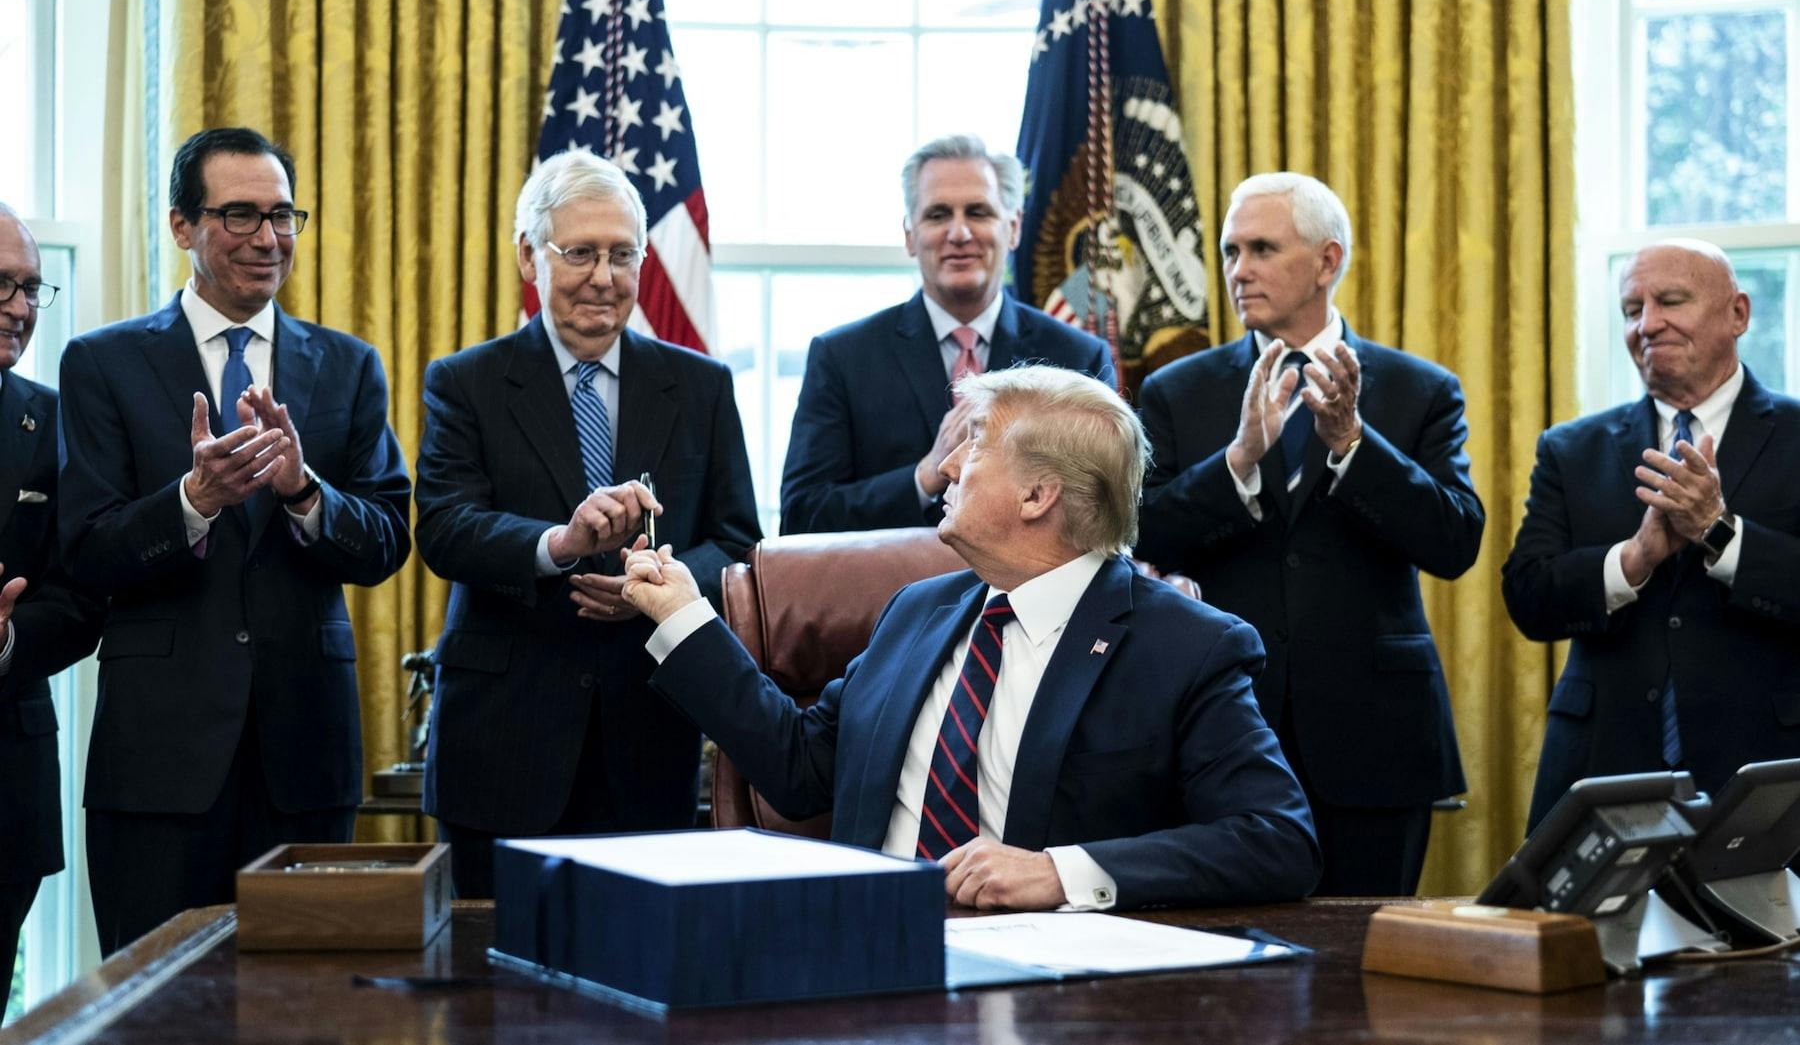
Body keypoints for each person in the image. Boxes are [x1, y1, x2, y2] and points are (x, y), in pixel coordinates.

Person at [623, 365, 1319, 911]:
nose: (947, 467)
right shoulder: (915, 613)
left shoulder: (1186, 647)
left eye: (975, 445)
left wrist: (1059, 871)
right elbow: (801, 768)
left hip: (1050, 985)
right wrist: (685, 615)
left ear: (1037, 495)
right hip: (869, 953)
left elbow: (1277, 839)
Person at [58, 128, 412, 954]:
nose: (268, 237)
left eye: (284, 214)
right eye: (241, 214)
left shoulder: (349, 366)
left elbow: (389, 538)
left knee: (305, 1005)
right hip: (159, 765)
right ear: (183, 225)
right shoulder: (103, 364)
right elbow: (85, 549)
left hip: (306, 760)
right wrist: (192, 501)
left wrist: (302, 491)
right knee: (154, 1011)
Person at [415, 151, 759, 899]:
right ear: (528, 257)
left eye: (621, 253)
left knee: (639, 993)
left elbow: (738, 543)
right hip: (503, 748)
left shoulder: (701, 386)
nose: (603, 276)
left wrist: (656, 584)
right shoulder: (465, 381)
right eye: (579, 252)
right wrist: (559, 546)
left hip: (650, 737)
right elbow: (443, 528)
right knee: (492, 997)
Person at [1136, 172, 1483, 896]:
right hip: (1222, 728)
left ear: (1328, 262)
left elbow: (1456, 541)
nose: (1238, 270)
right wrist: (1238, 460)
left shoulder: (1421, 389)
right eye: (1231, 251)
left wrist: (1354, 443)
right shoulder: (1178, 390)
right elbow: (1142, 535)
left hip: (1375, 736)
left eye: (1262, 248)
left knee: (1368, 972)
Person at [1504, 238, 1800, 831]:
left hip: (1765, 770)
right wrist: (1633, 560)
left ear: (1738, 314)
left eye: (1670, 301)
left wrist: (1720, 535)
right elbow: (1529, 598)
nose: (1648, 325)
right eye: (1631, 310)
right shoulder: (1571, 448)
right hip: (1601, 768)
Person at [779, 134, 1114, 534]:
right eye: (938, 215)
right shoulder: (843, 357)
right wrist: (926, 473)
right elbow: (802, 516)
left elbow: (1105, 513)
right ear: (909, 234)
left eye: (978, 212)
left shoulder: (1077, 358)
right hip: (884, 592)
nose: (959, 233)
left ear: (1014, 228)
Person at [0, 206, 102, 1004]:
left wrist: (6, 640)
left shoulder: (50, 418)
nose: (21, 306)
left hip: (7, 787)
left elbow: (79, 596)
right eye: (2, 284)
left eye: (32, 287)